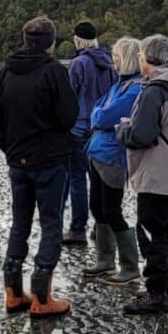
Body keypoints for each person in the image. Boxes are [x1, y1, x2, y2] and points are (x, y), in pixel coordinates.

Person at [0, 16, 79, 315]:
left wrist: (12, 149)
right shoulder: (54, 71)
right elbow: (69, 117)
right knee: (51, 224)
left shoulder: (5, 73)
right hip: (50, 160)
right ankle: (42, 298)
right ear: (51, 42)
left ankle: (13, 293)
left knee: (20, 223)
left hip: (18, 160)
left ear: (26, 40)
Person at [121, 34, 168, 314]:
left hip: (153, 171)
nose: (138, 59)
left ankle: (156, 293)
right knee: (166, 232)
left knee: (151, 231)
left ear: (148, 60)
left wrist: (122, 130)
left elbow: (142, 135)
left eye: (140, 55)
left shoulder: (153, 90)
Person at [82, 36, 144, 286]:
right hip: (97, 151)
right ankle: (105, 261)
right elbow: (98, 111)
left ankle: (129, 265)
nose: (113, 62)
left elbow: (103, 115)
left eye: (116, 58)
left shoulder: (136, 88)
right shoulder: (119, 85)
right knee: (97, 207)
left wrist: (99, 116)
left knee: (111, 209)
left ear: (126, 59)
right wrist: (100, 116)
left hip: (112, 156)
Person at [63, 21, 115, 249]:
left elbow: (68, 97)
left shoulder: (78, 64)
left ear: (77, 40)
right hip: (102, 129)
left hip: (79, 129)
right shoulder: (111, 64)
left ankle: (77, 228)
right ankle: (101, 226)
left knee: (77, 180)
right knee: (99, 179)